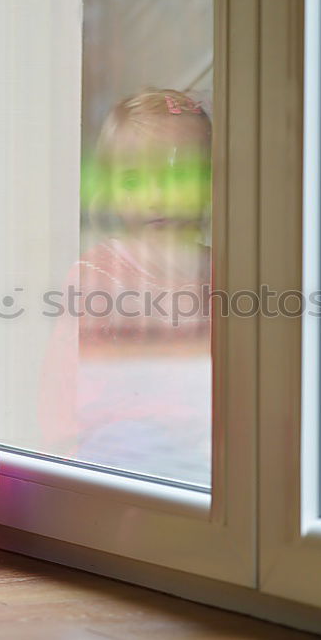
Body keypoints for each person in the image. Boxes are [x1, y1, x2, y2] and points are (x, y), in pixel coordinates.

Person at [36, 89, 212, 474]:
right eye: (134, 181)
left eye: (176, 176)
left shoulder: (218, 271)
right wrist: (65, 451)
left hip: (198, 444)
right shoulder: (99, 273)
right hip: (114, 446)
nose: (155, 196)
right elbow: (63, 381)